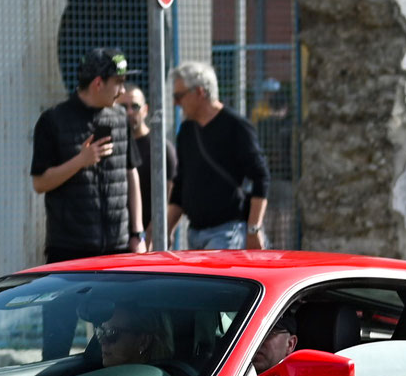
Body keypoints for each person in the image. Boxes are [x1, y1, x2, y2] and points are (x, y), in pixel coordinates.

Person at [33, 48, 141, 262]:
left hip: (118, 247)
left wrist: (137, 234)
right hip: (70, 250)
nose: (121, 90)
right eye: (118, 82)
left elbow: (131, 173)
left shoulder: (120, 117)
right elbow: (39, 183)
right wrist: (80, 161)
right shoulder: (53, 120)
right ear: (98, 83)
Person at [166, 61, 272, 250]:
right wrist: (166, 230)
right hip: (194, 233)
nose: (175, 103)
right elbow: (181, 183)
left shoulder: (236, 127)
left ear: (199, 92)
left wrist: (254, 229)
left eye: (179, 96)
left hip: (227, 232)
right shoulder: (187, 130)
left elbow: (261, 177)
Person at [122, 85, 176, 248]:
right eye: (123, 107)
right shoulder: (112, 145)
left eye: (135, 106)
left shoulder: (161, 148)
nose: (129, 112)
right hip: (117, 235)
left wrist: (156, 231)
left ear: (145, 110)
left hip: (147, 238)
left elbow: (170, 195)